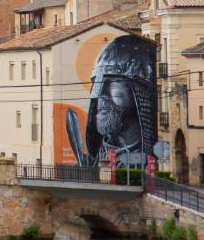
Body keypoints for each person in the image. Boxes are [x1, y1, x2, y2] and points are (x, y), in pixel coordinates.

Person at [65, 35, 156, 167]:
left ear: (137, 90)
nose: (100, 95)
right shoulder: (96, 158)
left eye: (111, 82)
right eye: (97, 83)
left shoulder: (145, 156)